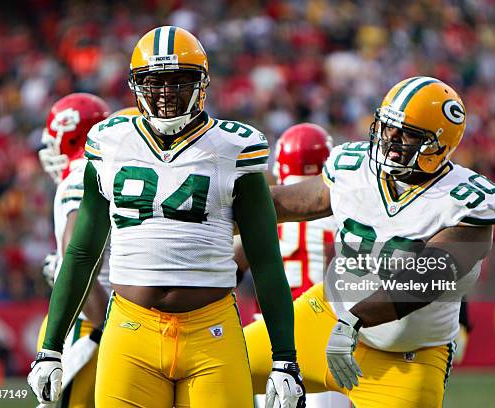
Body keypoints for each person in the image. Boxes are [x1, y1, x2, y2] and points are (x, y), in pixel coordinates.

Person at [28, 26, 305, 408]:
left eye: (178, 81)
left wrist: (285, 359)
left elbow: (266, 261)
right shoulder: (109, 142)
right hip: (130, 329)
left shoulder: (234, 147)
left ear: (202, 83)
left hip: (212, 331)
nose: (165, 93)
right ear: (136, 85)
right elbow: (81, 253)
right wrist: (50, 348)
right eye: (154, 82)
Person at [250, 76, 495, 407]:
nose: (391, 138)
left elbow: (425, 277)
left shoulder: (464, 200)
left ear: (438, 146)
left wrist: (355, 320)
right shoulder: (354, 169)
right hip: (327, 317)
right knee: (227, 365)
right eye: (388, 126)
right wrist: (215, 205)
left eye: (407, 133)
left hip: (407, 359)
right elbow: (285, 203)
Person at [237, 123, 352, 408]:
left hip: (272, 339)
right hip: (324, 336)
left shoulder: (268, 209)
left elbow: (232, 267)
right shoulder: (343, 213)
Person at [36, 93, 112, 407]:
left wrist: (109, 329)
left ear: (72, 136)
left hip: (85, 322)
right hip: (93, 314)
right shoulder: (99, 170)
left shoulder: (82, 174)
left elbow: (77, 259)